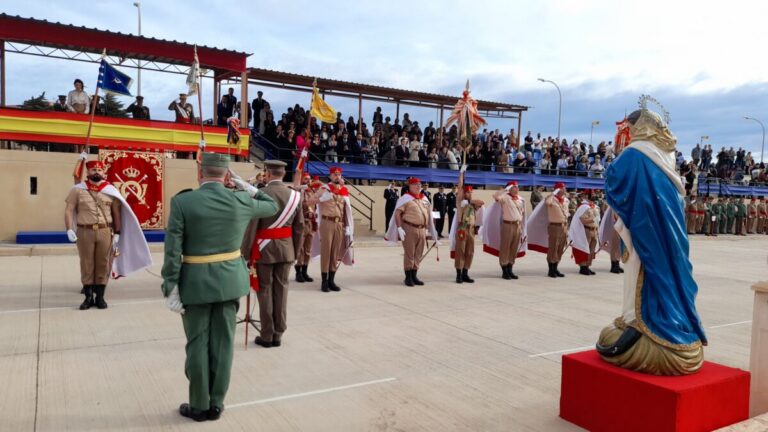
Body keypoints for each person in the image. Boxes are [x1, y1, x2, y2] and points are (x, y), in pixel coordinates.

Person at [161, 153, 278, 421]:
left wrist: (171, 285)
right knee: (224, 344)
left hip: (195, 284)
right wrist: (245, 185)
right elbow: (270, 204)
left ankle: (199, 404)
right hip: (229, 282)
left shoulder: (183, 202)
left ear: (200, 174)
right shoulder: (240, 200)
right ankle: (216, 403)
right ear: (226, 176)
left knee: (197, 343)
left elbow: (172, 251)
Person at [596, 104, 706, 375]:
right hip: (668, 231)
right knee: (670, 271)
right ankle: (669, 317)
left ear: (637, 128)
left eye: (630, 129)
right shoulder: (664, 157)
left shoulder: (634, 154)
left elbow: (614, 179)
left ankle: (645, 322)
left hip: (646, 230)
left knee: (643, 272)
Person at [66, 155, 152, 309]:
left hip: (105, 231)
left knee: (104, 264)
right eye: (93, 169)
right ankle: (87, 298)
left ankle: (100, 297)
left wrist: (118, 232)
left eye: (99, 169)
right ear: (88, 172)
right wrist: (68, 229)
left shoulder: (110, 190)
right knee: (87, 264)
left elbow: (117, 213)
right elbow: (69, 210)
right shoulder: (78, 190)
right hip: (85, 232)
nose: (97, 172)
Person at [241, 160, 304, 348]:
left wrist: (245, 253)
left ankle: (267, 334)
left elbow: (252, 226)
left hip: (263, 250)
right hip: (286, 250)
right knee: (282, 291)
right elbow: (300, 228)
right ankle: (278, 333)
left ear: (267, 173)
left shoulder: (261, 195)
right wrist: (295, 252)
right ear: (283, 175)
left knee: (265, 291)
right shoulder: (295, 196)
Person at [385, 177, 439, 286]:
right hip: (410, 228)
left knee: (418, 253)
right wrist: (399, 228)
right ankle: (408, 277)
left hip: (422, 229)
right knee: (410, 253)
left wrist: (431, 230)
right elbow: (397, 213)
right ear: (409, 186)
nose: (418, 186)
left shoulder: (424, 199)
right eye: (415, 185)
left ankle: (414, 275)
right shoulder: (405, 198)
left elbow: (430, 214)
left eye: (419, 184)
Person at [308, 167, 354, 292]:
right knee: (326, 251)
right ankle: (324, 281)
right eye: (335, 174)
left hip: (339, 223)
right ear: (330, 176)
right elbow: (308, 202)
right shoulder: (324, 189)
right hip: (327, 222)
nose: (337, 176)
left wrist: (348, 225)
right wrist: (321, 199)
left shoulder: (344, 190)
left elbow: (346, 209)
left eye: (339, 174)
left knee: (335, 252)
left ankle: (331, 280)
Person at [527, 183, 569, 278]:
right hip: (555, 226)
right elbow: (548, 203)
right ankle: (551, 269)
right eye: (563, 188)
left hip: (564, 226)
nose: (565, 189)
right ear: (558, 190)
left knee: (560, 248)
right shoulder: (551, 199)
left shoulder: (566, 200)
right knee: (553, 248)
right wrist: (553, 194)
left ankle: (556, 267)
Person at [487, 181, 527, 280]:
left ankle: (510, 268)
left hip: (517, 226)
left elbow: (523, 215)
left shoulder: (521, 199)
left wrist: (523, 229)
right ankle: (504, 269)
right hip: (508, 225)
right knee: (505, 247)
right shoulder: (505, 197)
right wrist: (505, 189)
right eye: (514, 187)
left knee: (514, 248)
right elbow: (495, 196)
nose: (517, 189)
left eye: (517, 187)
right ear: (510, 188)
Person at [449, 172, 484, 284]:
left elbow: (481, 202)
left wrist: (469, 201)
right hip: (462, 228)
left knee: (470, 251)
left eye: (470, 192)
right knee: (461, 251)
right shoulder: (460, 201)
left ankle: (465, 272)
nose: (469, 193)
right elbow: (459, 186)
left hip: (471, 229)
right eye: (467, 192)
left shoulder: (471, 203)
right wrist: (461, 175)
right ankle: (458, 274)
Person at [569, 190, 601, 275]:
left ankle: (587, 265)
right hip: (587, 230)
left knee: (592, 249)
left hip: (594, 230)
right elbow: (582, 220)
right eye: (592, 193)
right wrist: (592, 219)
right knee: (585, 248)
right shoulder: (584, 207)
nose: (594, 195)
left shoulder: (595, 207)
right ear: (587, 195)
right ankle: (583, 267)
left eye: (594, 193)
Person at [294, 173, 319, 283]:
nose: (308, 181)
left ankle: (305, 271)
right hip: (301, 222)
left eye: (309, 179)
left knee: (308, 249)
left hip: (311, 222)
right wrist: (302, 188)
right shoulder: (299, 191)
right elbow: (295, 188)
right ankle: (298, 271)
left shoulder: (313, 192)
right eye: (305, 179)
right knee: (301, 248)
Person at [599, 206, 624, 274]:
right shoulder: (613, 205)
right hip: (615, 226)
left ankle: (617, 263)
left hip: (621, 226)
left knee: (619, 247)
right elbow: (615, 217)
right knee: (614, 246)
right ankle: (613, 264)